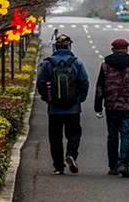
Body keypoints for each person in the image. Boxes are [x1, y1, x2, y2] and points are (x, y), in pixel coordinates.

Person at [36, 33, 89, 175]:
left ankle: (58, 166)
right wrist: (80, 99)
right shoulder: (76, 63)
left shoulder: (47, 63)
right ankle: (71, 154)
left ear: (56, 47)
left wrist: (47, 98)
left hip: (54, 109)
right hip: (73, 108)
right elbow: (84, 82)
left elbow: (40, 82)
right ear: (69, 46)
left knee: (55, 137)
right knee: (74, 134)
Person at [94, 38, 129, 178]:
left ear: (113, 49)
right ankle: (124, 163)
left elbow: (100, 88)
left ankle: (113, 165)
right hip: (128, 107)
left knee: (112, 136)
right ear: (127, 49)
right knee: (126, 135)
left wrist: (97, 107)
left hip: (111, 106)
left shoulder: (105, 66)